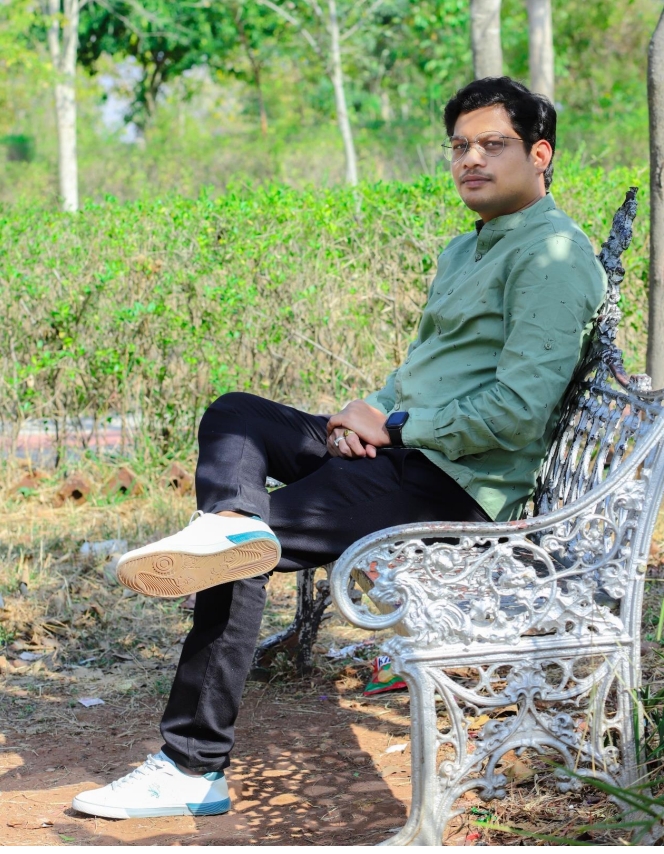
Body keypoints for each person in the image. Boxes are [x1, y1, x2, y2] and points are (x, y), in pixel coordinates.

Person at [72, 76, 606, 819]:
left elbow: (517, 414)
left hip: (452, 483)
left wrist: (400, 427)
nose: (471, 159)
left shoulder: (553, 256)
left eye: (493, 144)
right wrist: (372, 412)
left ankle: (192, 765)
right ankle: (228, 524)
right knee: (238, 416)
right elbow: (425, 370)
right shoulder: (467, 248)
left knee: (242, 551)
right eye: (460, 146)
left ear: (539, 155)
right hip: (402, 452)